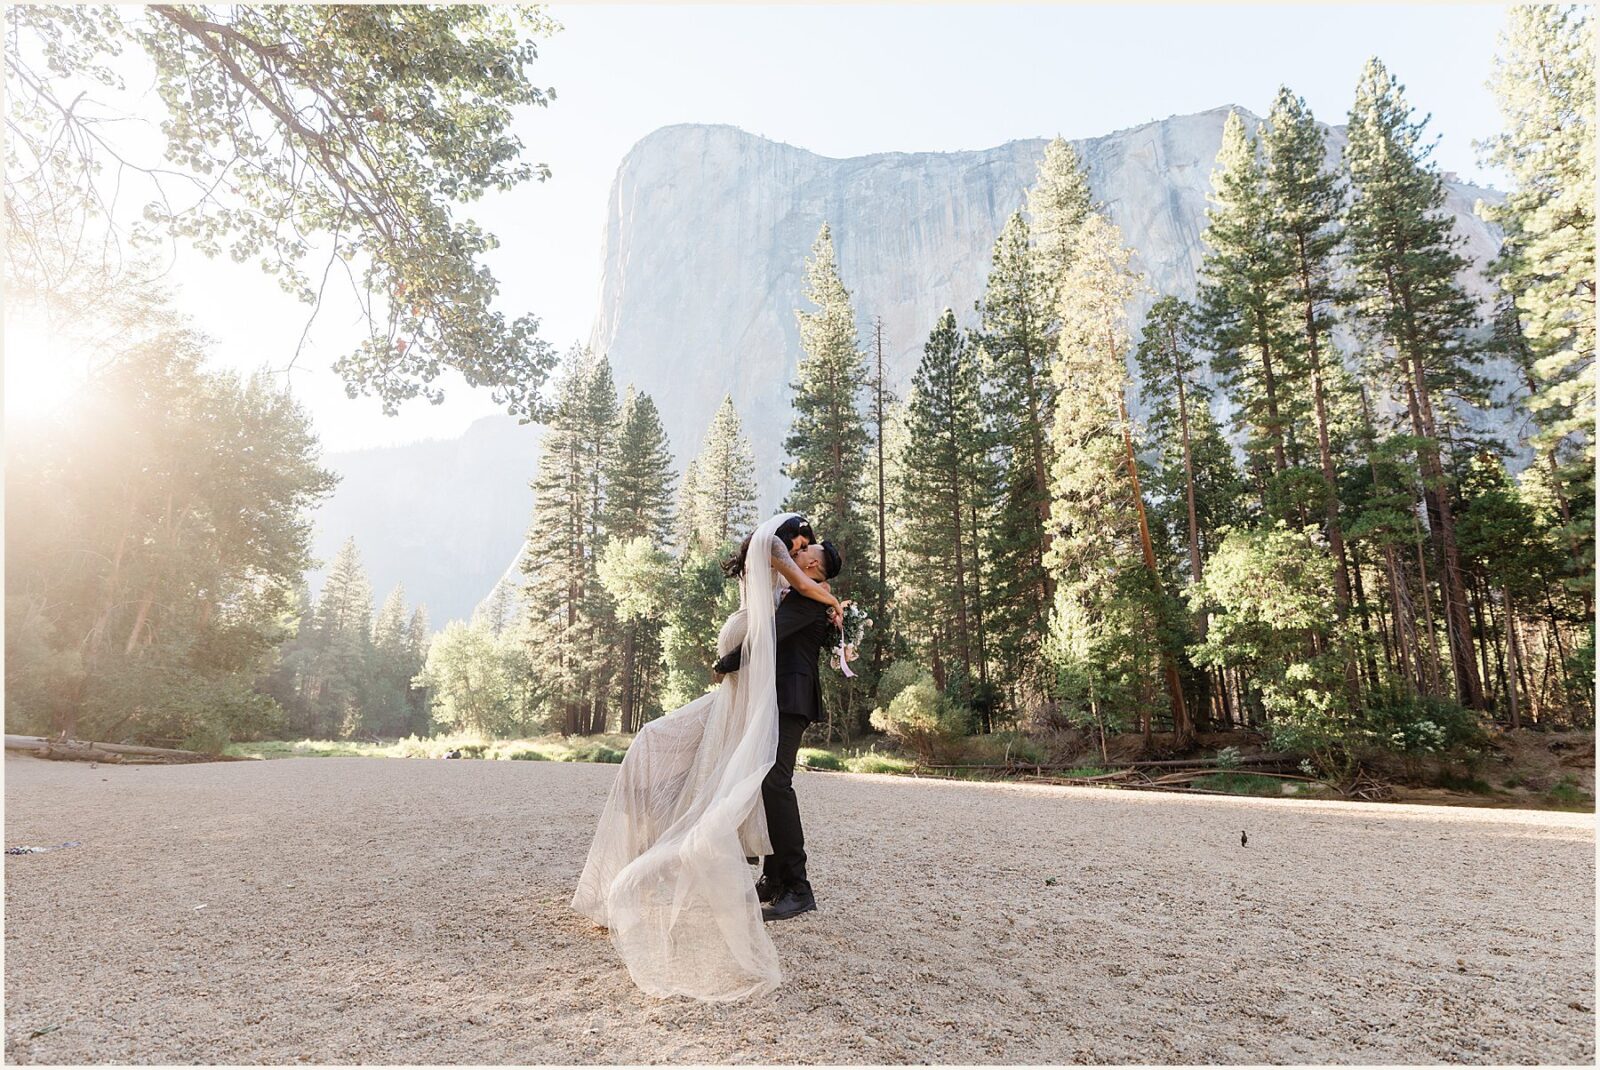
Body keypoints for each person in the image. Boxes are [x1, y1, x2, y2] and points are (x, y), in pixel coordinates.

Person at [571, 513, 812, 1000]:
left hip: (752, 693)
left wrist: (828, 606)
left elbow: (784, 620)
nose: (801, 553)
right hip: (741, 691)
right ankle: (650, 835)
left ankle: (783, 878)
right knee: (677, 751)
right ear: (780, 543)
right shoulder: (771, 569)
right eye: (799, 544)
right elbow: (787, 607)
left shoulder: (784, 582)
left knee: (751, 777)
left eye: (807, 547)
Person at [712, 539, 842, 922]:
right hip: (778, 697)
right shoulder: (805, 594)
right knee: (766, 780)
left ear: (815, 566)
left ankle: (799, 888)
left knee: (776, 782)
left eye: (807, 551)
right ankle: (773, 878)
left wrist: (726, 663)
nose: (798, 553)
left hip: (792, 698)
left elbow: (768, 636)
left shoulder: (809, 599)